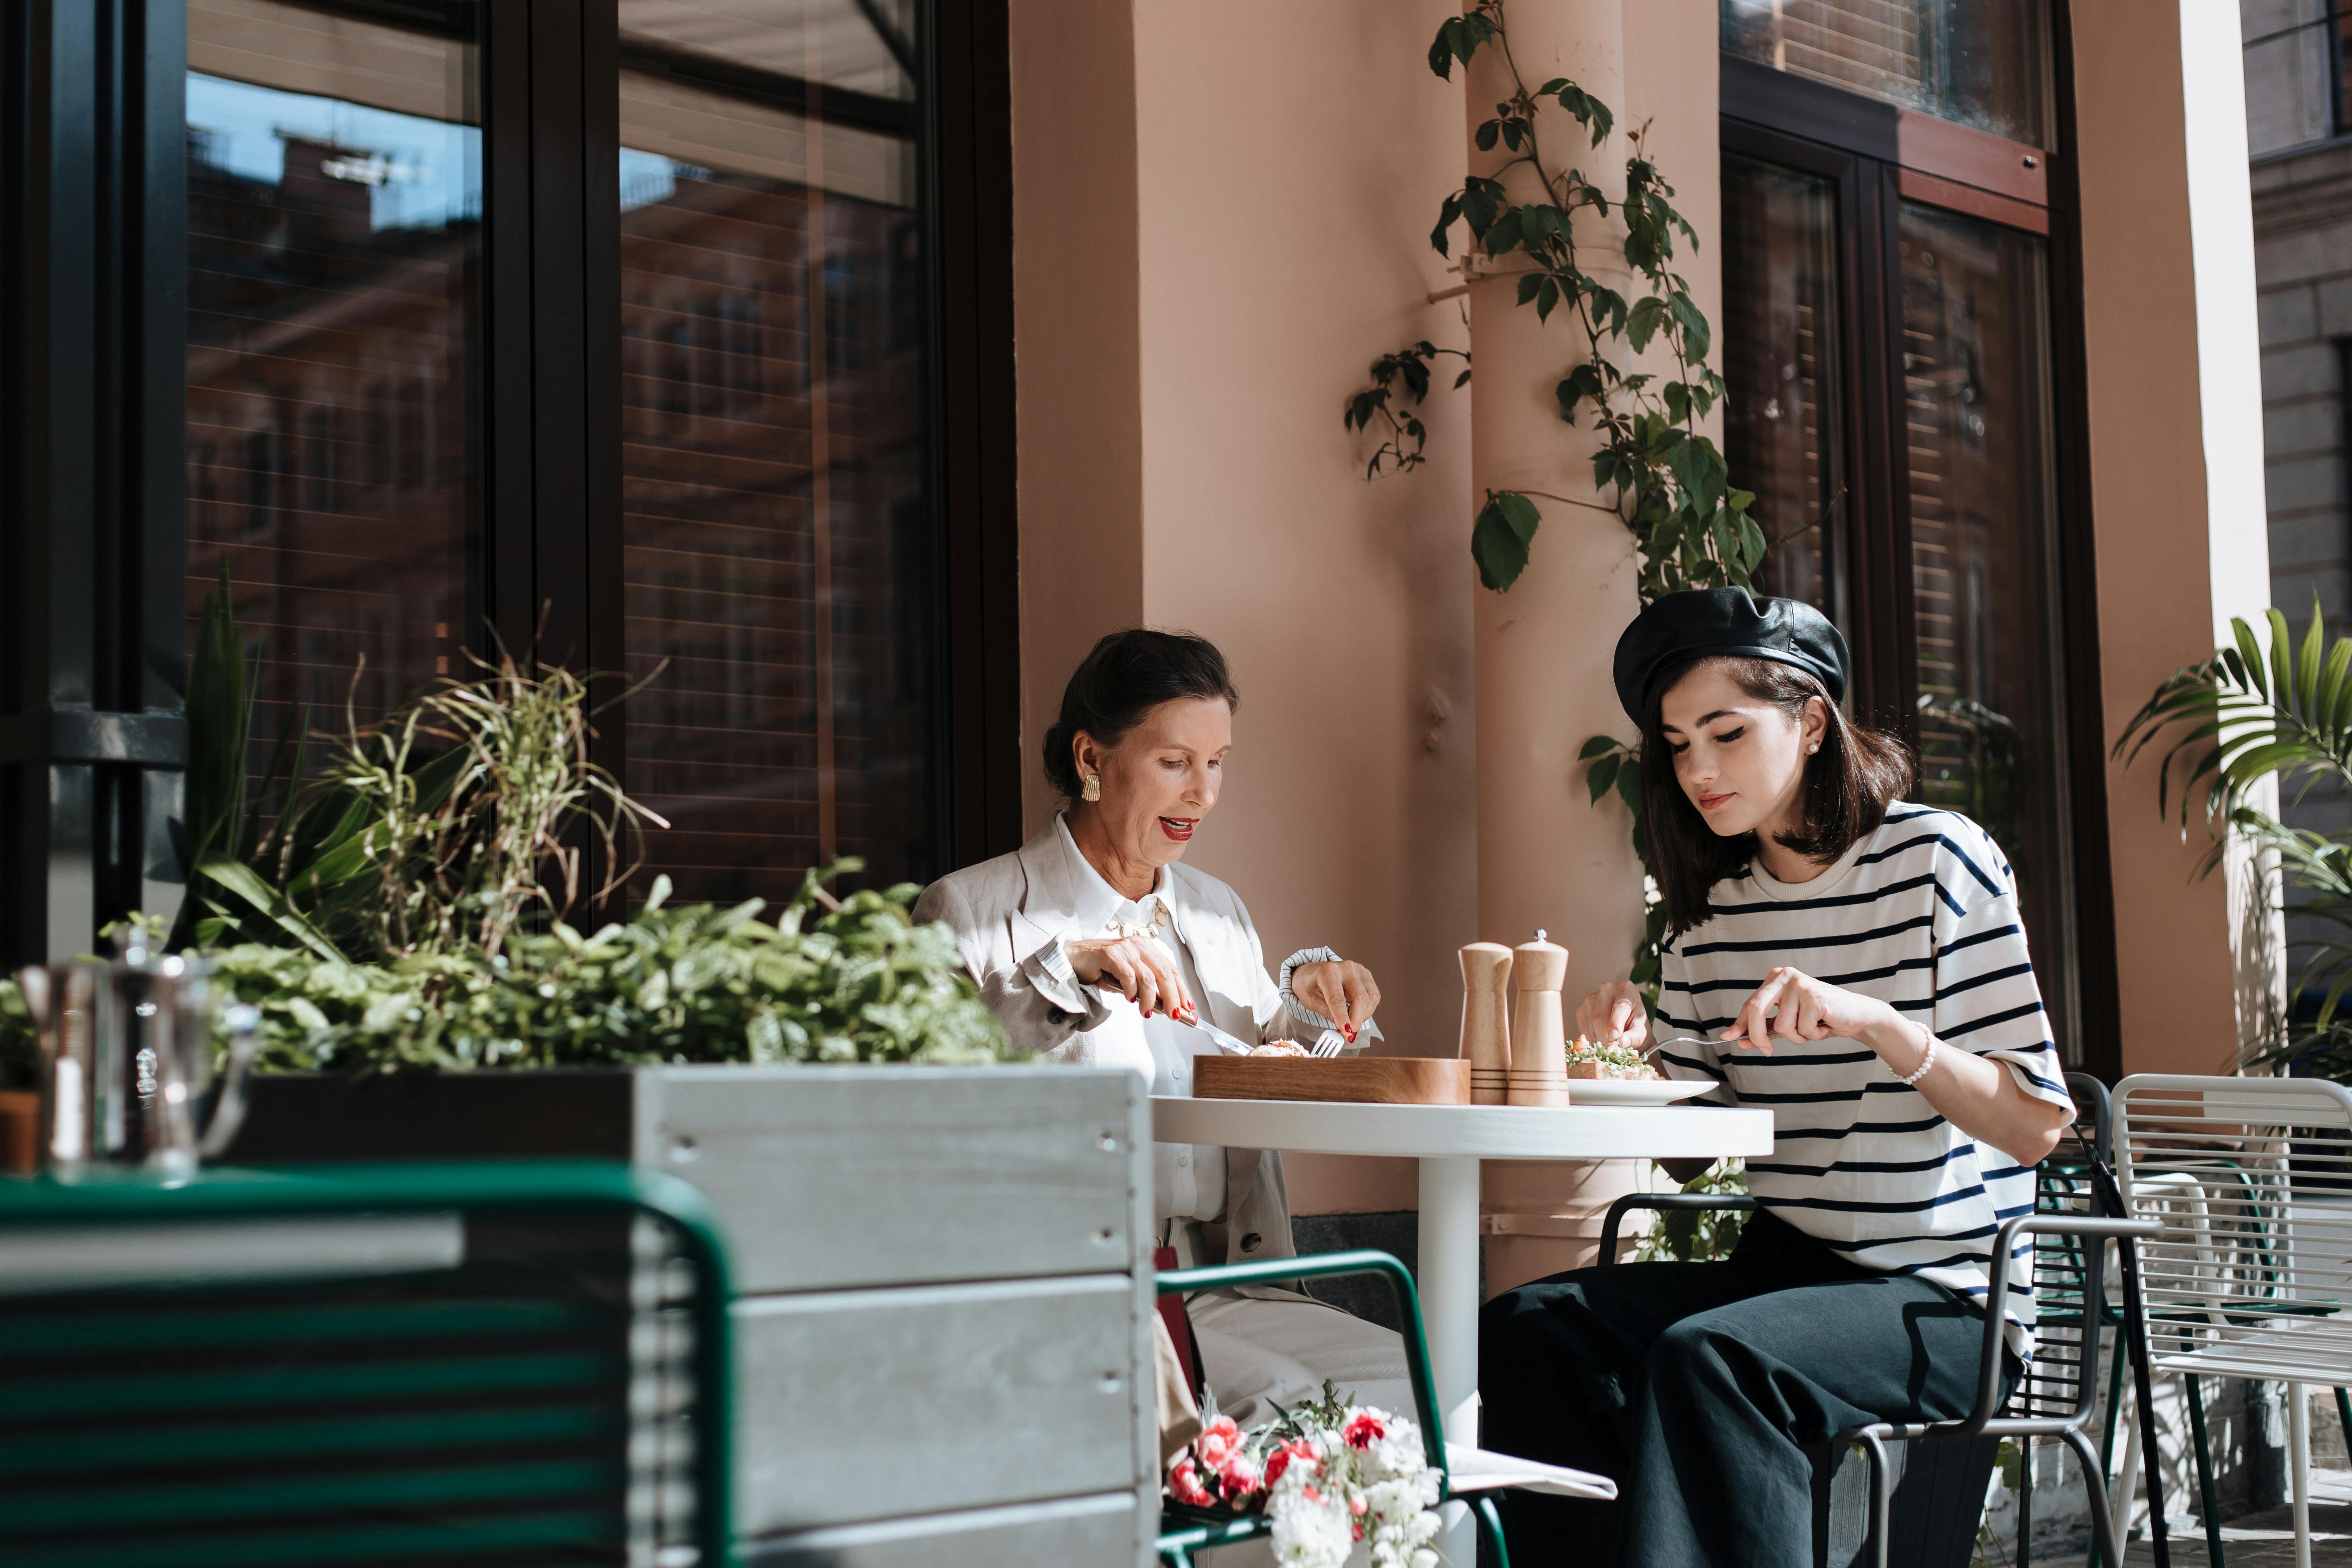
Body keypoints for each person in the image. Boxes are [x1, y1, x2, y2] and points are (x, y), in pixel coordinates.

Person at [1478, 588, 2075, 1568]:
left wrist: (1884, 1026)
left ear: (1808, 722)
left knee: (1711, 1360)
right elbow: (1688, 1157)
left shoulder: (1936, 861)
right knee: (1531, 1330)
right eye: (1676, 745)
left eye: (1724, 732)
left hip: (1947, 1294)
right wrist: (1636, 1057)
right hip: (1783, 1269)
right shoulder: (1710, 918)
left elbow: (2034, 1129)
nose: (1699, 770)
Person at [914, 627, 1411, 1428]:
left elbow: (1266, 1053)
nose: (1203, 793)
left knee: (1431, 1384)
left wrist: (1322, 1005)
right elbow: (935, 1103)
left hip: (1235, 1280)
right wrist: (1066, 968)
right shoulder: (969, 912)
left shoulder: (1218, 912)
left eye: (1216, 763)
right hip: (1093, 1291)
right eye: (1175, 762)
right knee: (1302, 1418)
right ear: (1091, 759)